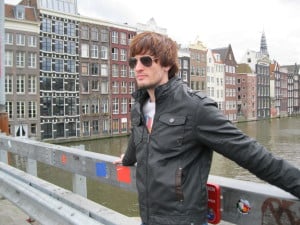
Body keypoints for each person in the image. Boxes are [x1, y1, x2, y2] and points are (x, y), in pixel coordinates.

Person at [114, 31, 300, 225]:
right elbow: (138, 137)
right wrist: (127, 159)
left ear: (167, 64)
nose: (138, 68)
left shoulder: (195, 107)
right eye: (133, 62)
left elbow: (251, 153)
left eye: (146, 61)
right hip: (149, 220)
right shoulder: (139, 105)